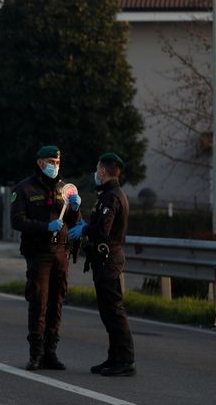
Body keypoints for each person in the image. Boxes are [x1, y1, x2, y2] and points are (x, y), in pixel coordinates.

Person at [11, 145, 81, 371]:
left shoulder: (64, 189)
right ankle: (36, 354)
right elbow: (17, 221)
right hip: (39, 252)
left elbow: (73, 220)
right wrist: (44, 227)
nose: (55, 165)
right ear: (40, 162)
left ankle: (51, 352)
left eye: (58, 162)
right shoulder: (24, 188)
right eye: (51, 161)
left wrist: (76, 210)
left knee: (57, 302)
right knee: (39, 302)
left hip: (61, 252)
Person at [70, 152, 135, 376]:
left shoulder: (111, 196)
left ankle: (125, 361)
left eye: (97, 169)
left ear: (103, 172)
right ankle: (114, 357)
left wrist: (85, 229)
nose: (95, 173)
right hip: (104, 260)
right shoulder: (109, 194)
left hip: (109, 260)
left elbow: (103, 231)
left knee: (114, 311)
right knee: (108, 312)